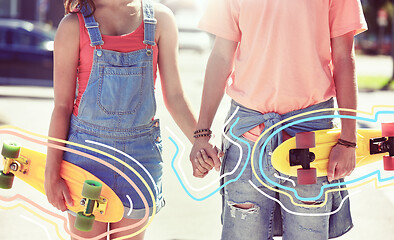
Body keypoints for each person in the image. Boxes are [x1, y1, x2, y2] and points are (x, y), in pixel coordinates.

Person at [190, 0, 368, 239]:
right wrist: (202, 135)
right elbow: (222, 56)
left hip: (311, 140)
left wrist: (348, 140)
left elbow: (344, 58)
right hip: (247, 139)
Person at [45, 0, 197, 239]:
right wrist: (51, 175)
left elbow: (175, 96)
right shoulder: (73, 25)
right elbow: (62, 108)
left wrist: (200, 139)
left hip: (139, 161)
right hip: (85, 158)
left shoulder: (161, 20)